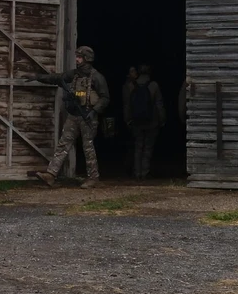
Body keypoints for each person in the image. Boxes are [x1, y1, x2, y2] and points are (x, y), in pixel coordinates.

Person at [32, 45, 109, 189]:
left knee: (88, 147)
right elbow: (57, 78)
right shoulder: (74, 74)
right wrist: (38, 77)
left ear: (87, 59)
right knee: (63, 144)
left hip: (88, 117)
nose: (77, 60)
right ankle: (51, 174)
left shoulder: (97, 77)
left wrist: (94, 111)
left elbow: (105, 98)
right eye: (77, 57)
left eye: (79, 57)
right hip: (74, 116)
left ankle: (93, 177)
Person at [123, 64, 166, 180]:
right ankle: (145, 172)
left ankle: (137, 173)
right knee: (148, 148)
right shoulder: (154, 86)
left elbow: (127, 105)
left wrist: (128, 120)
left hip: (136, 122)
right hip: (151, 122)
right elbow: (159, 104)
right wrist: (162, 120)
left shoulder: (131, 86)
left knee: (138, 146)